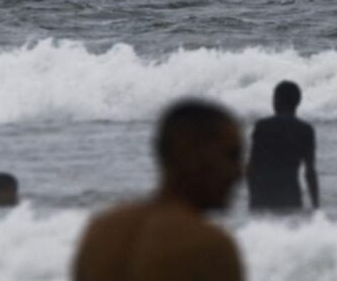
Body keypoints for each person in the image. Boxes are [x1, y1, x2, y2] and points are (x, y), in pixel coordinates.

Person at [73, 99, 244, 281]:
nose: (240, 172)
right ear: (193, 156)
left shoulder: (101, 232)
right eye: (232, 155)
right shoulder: (208, 246)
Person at [248, 80, 319, 212]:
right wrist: (316, 206)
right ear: (297, 102)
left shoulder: (262, 126)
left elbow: (252, 167)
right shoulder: (305, 129)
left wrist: (252, 198)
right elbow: (310, 171)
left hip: (263, 194)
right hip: (290, 194)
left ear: (276, 100)